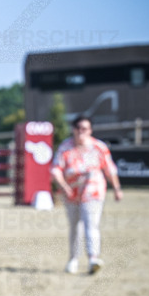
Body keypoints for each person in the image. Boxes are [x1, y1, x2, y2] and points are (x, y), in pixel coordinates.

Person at [50, 115, 123, 274]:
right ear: (73, 129)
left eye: (85, 128)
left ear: (90, 130)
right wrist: (64, 186)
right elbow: (56, 170)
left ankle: (93, 258)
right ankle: (73, 259)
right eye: (78, 128)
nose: (81, 132)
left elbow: (109, 169)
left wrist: (116, 188)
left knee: (91, 223)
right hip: (71, 192)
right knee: (76, 226)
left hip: (93, 190)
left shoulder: (99, 147)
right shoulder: (65, 148)